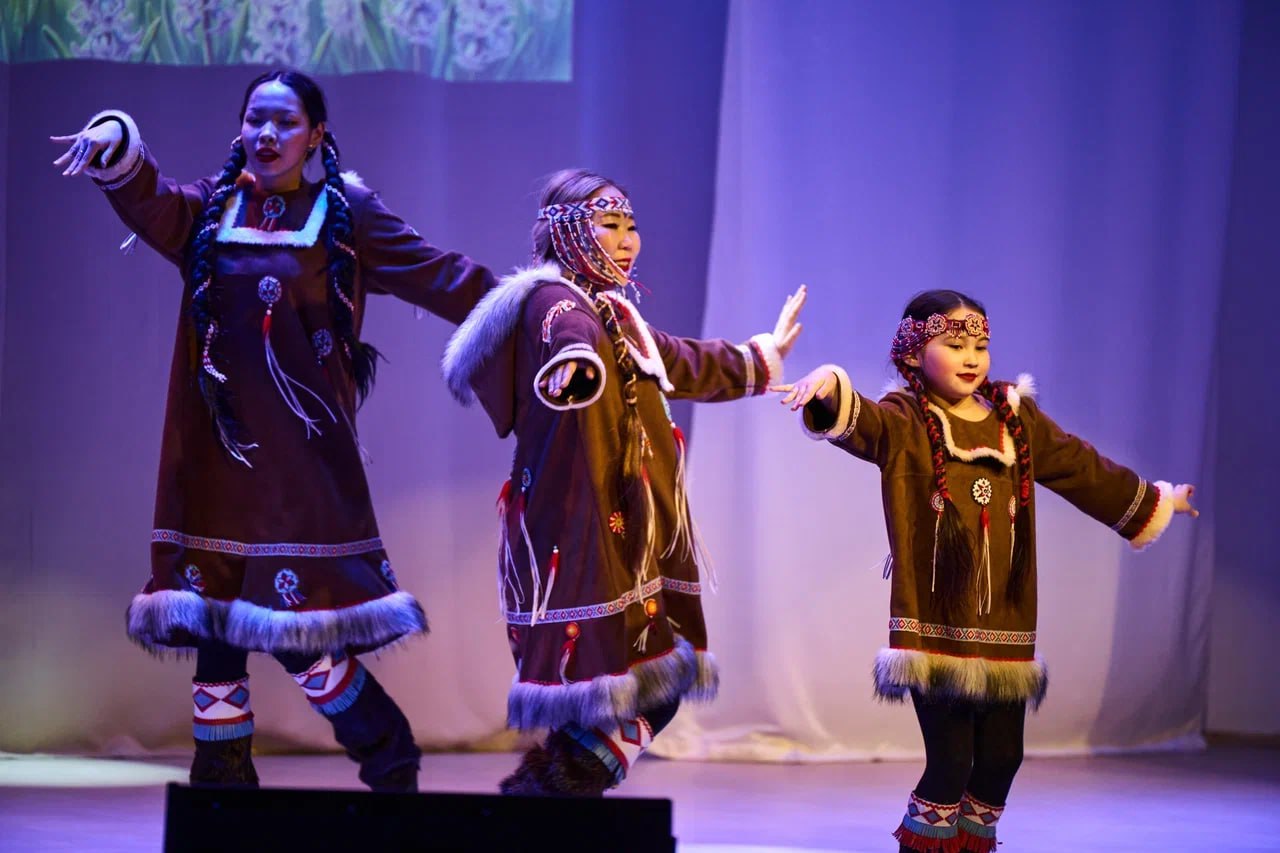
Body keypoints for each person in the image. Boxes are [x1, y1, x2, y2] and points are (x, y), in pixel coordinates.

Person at [51, 69, 494, 791]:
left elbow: (439, 274)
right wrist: (119, 142)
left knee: (296, 632)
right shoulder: (211, 208)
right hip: (216, 457)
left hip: (299, 465)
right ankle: (222, 786)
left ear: (315, 135)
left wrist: (533, 305)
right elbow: (153, 203)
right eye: (256, 118)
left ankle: (388, 755)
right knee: (217, 625)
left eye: (285, 122)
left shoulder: (346, 214)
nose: (267, 133)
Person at [775, 290, 1196, 852]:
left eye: (980, 346)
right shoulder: (905, 420)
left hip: (1005, 621)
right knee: (951, 763)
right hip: (936, 623)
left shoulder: (1014, 419)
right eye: (955, 345)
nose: (971, 357)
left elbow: (1079, 465)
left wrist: (1158, 500)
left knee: (1001, 759)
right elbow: (862, 422)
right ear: (913, 354)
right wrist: (829, 382)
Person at [442, 168, 805, 795]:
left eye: (632, 226)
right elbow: (570, 340)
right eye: (609, 225)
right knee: (639, 686)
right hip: (585, 522)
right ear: (567, 233)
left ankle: (539, 802)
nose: (628, 239)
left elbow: (679, 359)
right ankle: (545, 796)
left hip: (617, 523)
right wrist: (574, 367)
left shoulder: (612, 311)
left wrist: (759, 355)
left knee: (625, 689)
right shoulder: (557, 302)